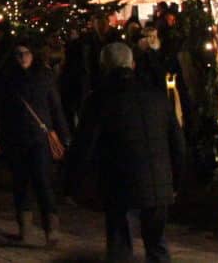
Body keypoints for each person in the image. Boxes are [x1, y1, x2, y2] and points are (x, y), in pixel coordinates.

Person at [68, 42, 184, 262]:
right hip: (159, 182)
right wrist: (175, 181)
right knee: (157, 243)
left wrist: (74, 182)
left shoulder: (98, 100)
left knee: (120, 245)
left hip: (119, 182)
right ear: (132, 64)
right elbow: (177, 143)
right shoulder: (157, 96)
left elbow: (84, 145)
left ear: (104, 67)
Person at [0, 39, 70, 246]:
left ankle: (51, 227)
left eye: (26, 53)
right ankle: (25, 226)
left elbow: (55, 106)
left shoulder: (43, 76)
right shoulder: (7, 78)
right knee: (20, 183)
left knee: (43, 181)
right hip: (15, 137)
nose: (23, 57)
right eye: (19, 54)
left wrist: (64, 134)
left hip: (39, 137)